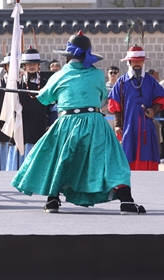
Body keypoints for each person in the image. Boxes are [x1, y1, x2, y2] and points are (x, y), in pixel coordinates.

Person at [12, 32, 146, 214]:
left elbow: (44, 98)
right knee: (113, 159)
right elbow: (100, 97)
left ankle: (52, 200)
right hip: (95, 122)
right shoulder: (98, 74)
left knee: (57, 157)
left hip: (67, 122)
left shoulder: (59, 75)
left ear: (68, 56)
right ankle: (126, 201)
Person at [107, 45, 164, 171]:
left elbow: (161, 99)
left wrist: (154, 109)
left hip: (147, 127)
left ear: (143, 61)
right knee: (128, 157)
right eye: (134, 60)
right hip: (128, 126)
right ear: (129, 62)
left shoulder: (151, 81)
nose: (137, 63)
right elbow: (115, 106)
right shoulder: (121, 82)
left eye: (140, 60)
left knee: (148, 154)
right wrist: (117, 125)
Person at [13, 48, 55, 165]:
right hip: (24, 126)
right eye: (29, 64)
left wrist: (50, 124)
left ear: (38, 66)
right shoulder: (18, 83)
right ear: (24, 66)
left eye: (34, 64)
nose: (32, 66)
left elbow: (53, 107)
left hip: (41, 124)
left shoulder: (46, 83)